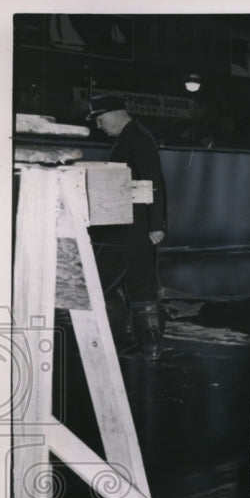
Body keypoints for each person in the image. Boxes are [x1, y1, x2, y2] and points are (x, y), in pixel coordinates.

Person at [86, 94, 167, 361]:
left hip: (127, 231)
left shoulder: (135, 138)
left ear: (114, 113)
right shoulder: (134, 136)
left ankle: (111, 344)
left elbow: (153, 181)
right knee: (141, 286)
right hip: (135, 228)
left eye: (100, 119)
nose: (99, 126)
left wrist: (157, 224)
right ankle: (149, 348)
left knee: (101, 285)